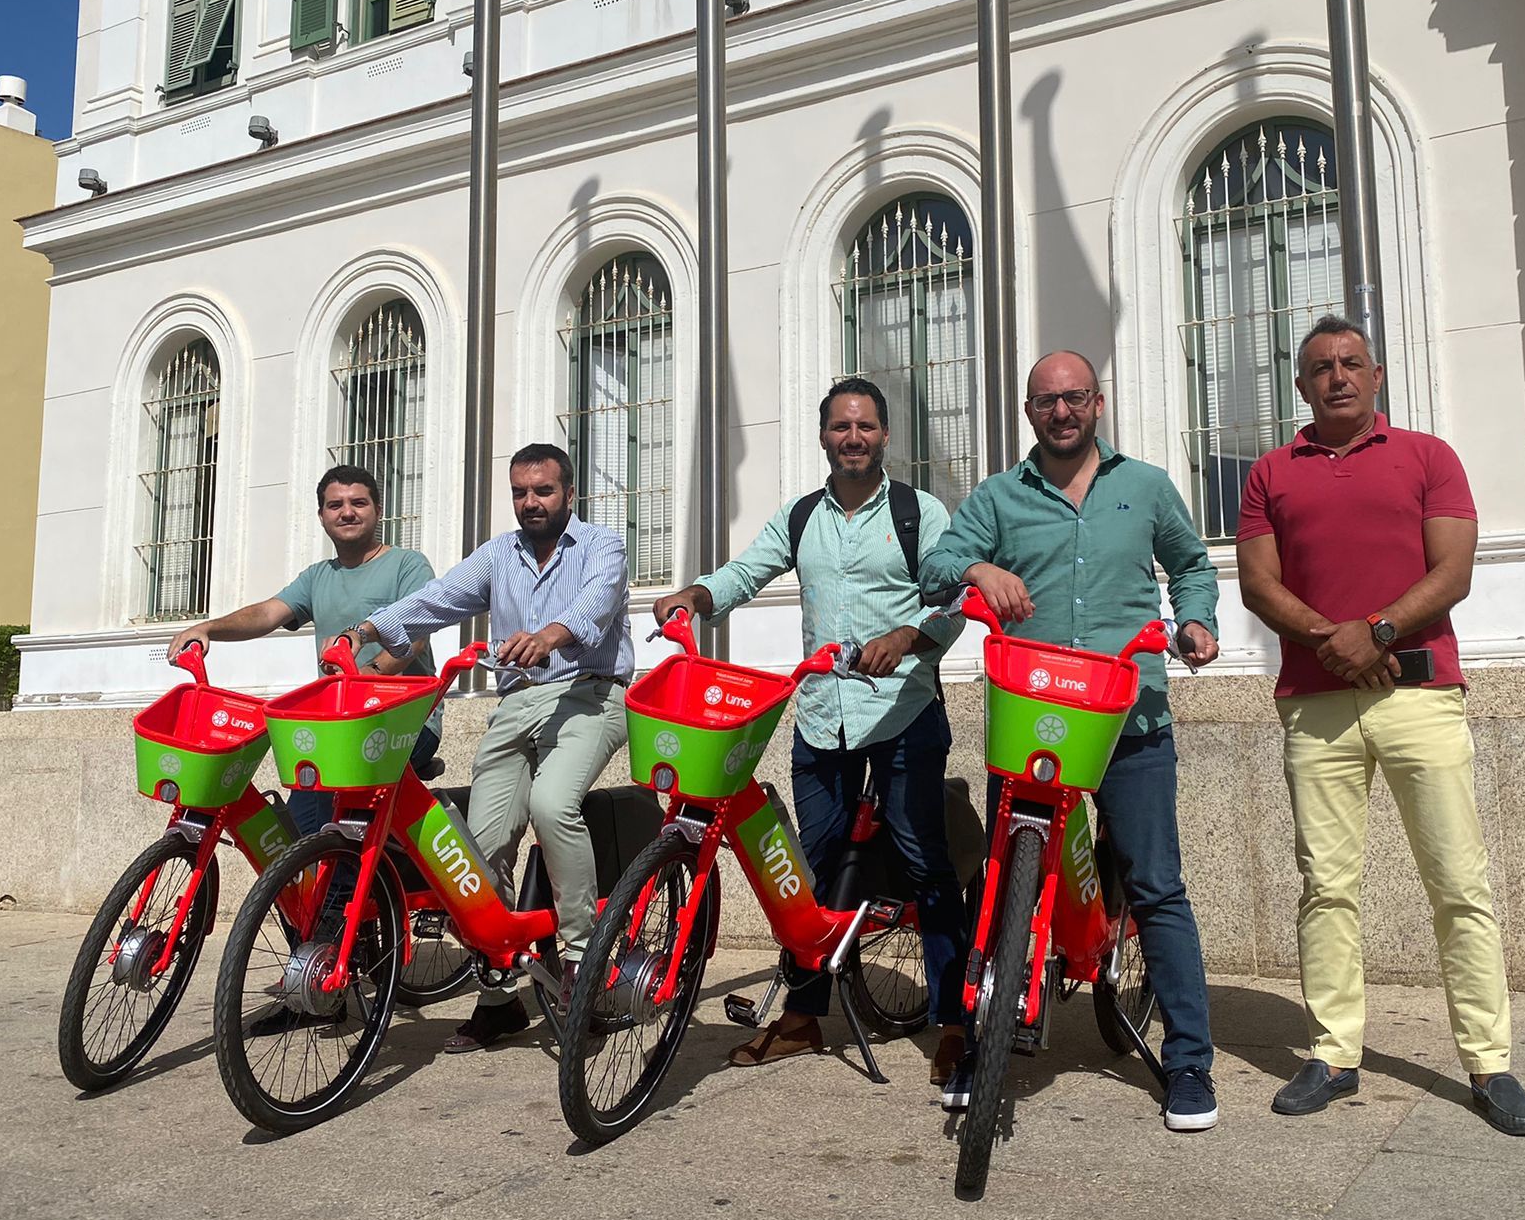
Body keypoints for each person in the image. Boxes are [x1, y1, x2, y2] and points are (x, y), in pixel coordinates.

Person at [1235, 315, 1525, 1137]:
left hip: (1421, 697)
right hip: (1315, 707)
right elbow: (1259, 586)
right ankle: (1334, 1055)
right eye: (1320, 368)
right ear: (1300, 387)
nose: (1337, 376)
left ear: (1376, 377)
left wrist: (1371, 632)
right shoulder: (1271, 472)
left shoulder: (1428, 458)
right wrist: (1329, 640)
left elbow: (1454, 570)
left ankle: (1490, 1063)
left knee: (1459, 884)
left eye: (1351, 364)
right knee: (1327, 887)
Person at [920, 349, 1224, 1132]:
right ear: (1030, 412)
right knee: (1000, 886)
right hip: (1036, 717)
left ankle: (1189, 1060)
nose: (1062, 412)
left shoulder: (1147, 486)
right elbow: (937, 568)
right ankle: (985, 1040)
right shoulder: (997, 496)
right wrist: (979, 568)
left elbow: (1192, 565)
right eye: (1047, 401)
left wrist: (1193, 621)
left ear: (1098, 403)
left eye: (1076, 398)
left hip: (1131, 715)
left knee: (1156, 884)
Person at [654, 376, 969, 1088]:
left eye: (864, 427)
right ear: (823, 436)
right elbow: (746, 571)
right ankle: (802, 1016)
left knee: (927, 866)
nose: (852, 438)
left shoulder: (921, 513)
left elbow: (953, 604)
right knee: (813, 873)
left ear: (885, 436)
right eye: (839, 427)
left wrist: (908, 635)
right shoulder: (801, 517)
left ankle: (954, 1019)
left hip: (904, 711)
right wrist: (696, 595)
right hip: (822, 716)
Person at [345, 443, 631, 1053]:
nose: (531, 503)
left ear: (569, 495)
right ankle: (499, 998)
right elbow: (440, 597)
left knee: (555, 806)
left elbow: (596, 604)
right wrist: (369, 629)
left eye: (544, 491)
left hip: (590, 696)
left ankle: (583, 969)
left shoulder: (603, 545)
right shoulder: (501, 554)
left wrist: (552, 634)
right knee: (480, 847)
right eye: (521, 493)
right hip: (516, 705)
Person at [168, 464, 443, 844]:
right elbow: (267, 613)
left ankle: (340, 902)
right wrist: (207, 628)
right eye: (336, 505)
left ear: (378, 510)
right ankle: (310, 895)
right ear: (322, 516)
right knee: (299, 829)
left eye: (358, 503)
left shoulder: (407, 565)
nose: (347, 512)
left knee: (342, 823)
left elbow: (414, 639)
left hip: (404, 723)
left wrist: (361, 680)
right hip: (335, 729)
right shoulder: (317, 576)